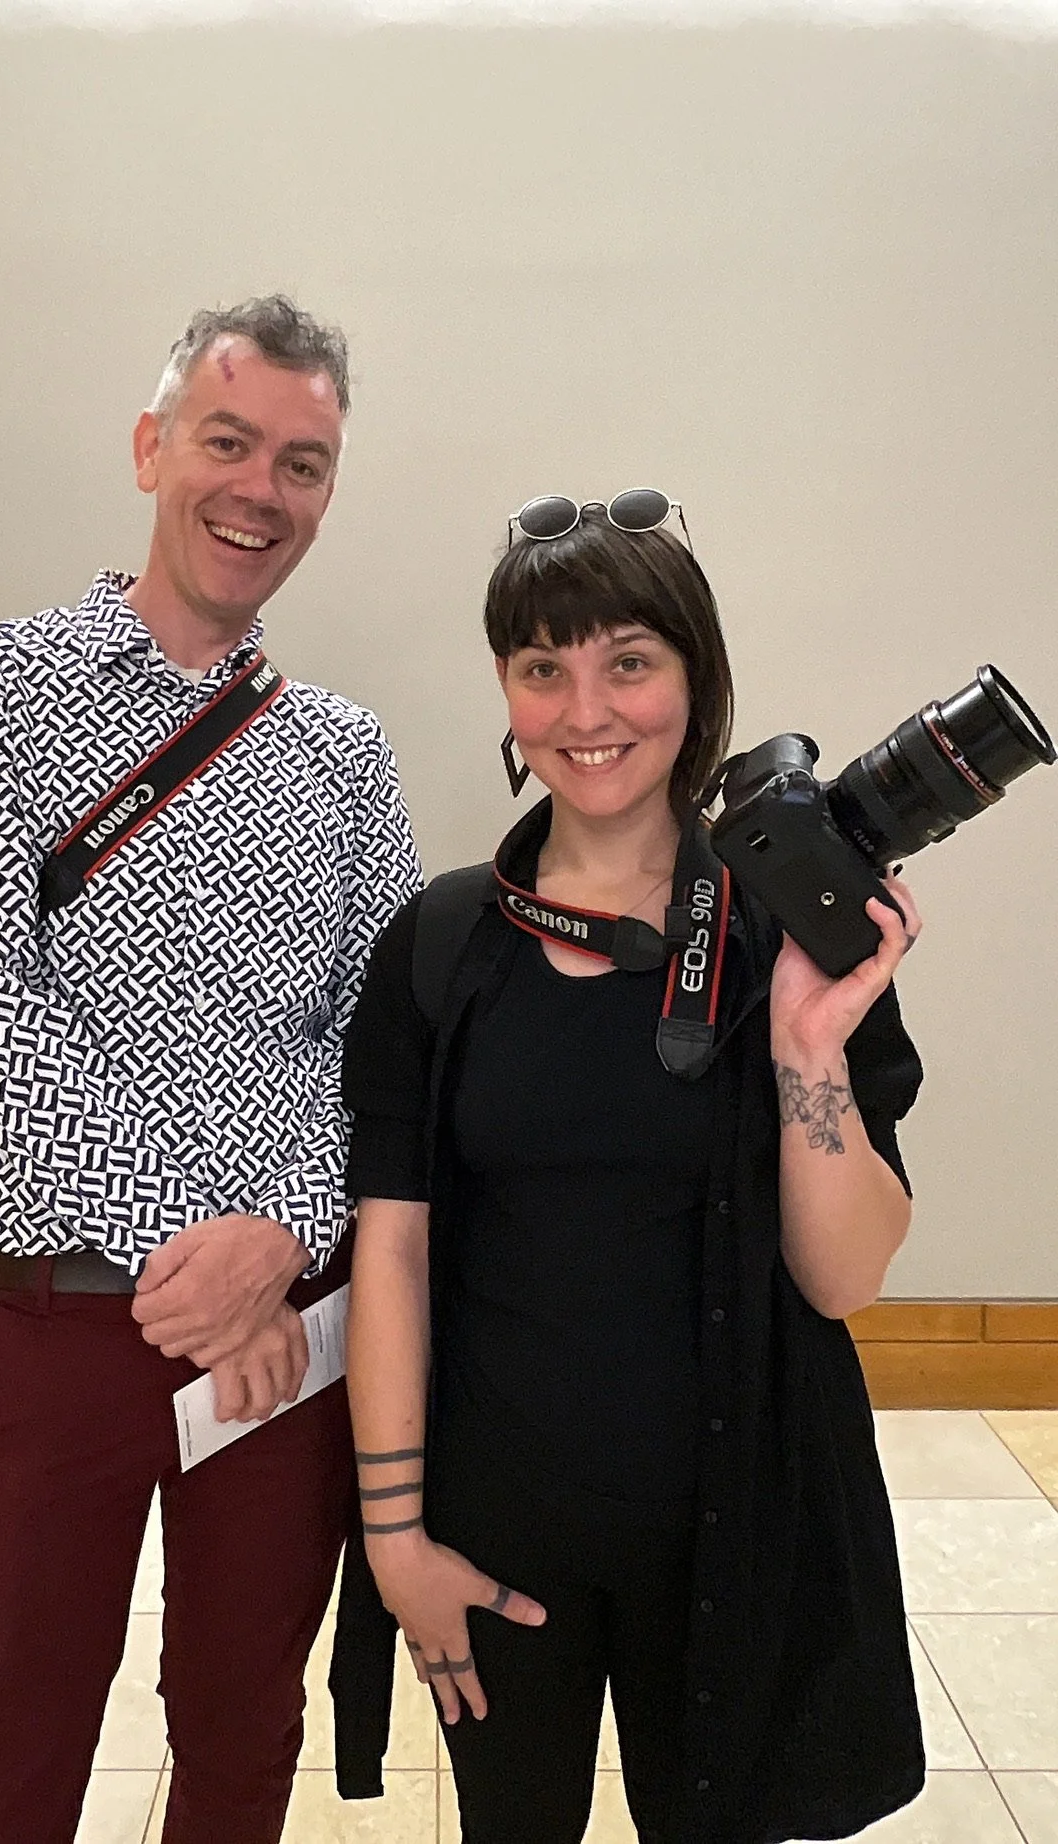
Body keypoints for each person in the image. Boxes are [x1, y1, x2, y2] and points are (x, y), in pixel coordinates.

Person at [0, 295, 422, 1844]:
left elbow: (378, 1046)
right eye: (230, 440)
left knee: (243, 1740)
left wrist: (278, 1248)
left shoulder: (345, 753)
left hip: (280, 1349)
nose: (262, 488)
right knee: (2, 1757)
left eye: (305, 463)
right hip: (50, 1319)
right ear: (152, 447)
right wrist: (200, 1265)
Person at [331, 496, 926, 1844]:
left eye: (628, 660)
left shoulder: (795, 931)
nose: (585, 706)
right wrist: (394, 1539)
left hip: (733, 1525)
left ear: (696, 680)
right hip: (495, 1532)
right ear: (508, 692)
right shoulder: (440, 946)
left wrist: (809, 1056)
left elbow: (842, 1283)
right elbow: (395, 1250)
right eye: (542, 667)